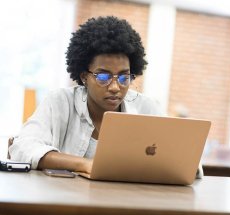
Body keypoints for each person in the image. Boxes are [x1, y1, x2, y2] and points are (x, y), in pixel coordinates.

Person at [9, 16, 162, 174]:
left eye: (124, 77)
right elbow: (23, 147)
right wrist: (86, 165)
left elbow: (176, 158)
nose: (116, 87)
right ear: (84, 77)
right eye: (103, 77)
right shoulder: (60, 101)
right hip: (64, 196)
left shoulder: (146, 107)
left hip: (128, 197)